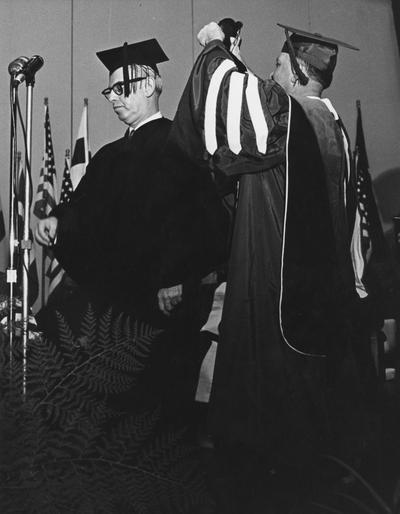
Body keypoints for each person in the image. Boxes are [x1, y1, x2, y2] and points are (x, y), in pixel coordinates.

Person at [167, 20, 371, 511]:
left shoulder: (290, 117)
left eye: (279, 64)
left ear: (298, 70)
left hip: (280, 296)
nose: (273, 72)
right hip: (320, 301)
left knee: (269, 442)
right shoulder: (333, 126)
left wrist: (217, 45)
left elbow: (228, 101)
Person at [35, 38, 229, 428]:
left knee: (158, 411)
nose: (114, 99)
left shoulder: (181, 147)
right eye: (110, 91)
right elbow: (84, 209)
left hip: (162, 301)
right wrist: (59, 220)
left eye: (123, 89)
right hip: (116, 301)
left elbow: (199, 222)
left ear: (152, 84)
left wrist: (177, 277)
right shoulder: (108, 156)